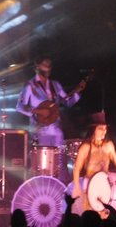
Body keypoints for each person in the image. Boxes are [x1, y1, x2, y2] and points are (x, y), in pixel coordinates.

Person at [16, 55, 86, 183]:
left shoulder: (55, 85)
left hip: (56, 129)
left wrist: (78, 91)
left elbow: (67, 102)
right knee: (43, 163)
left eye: (49, 66)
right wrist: (37, 111)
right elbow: (19, 107)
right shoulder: (30, 86)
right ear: (37, 66)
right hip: (39, 129)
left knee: (60, 161)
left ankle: (60, 187)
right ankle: (42, 186)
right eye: (45, 65)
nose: (48, 68)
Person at [71, 111, 116, 218]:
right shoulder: (86, 147)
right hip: (89, 184)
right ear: (93, 130)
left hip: (104, 184)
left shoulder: (108, 145)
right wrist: (76, 187)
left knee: (104, 216)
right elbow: (77, 168)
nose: (104, 132)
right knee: (91, 216)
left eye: (105, 129)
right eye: (100, 129)